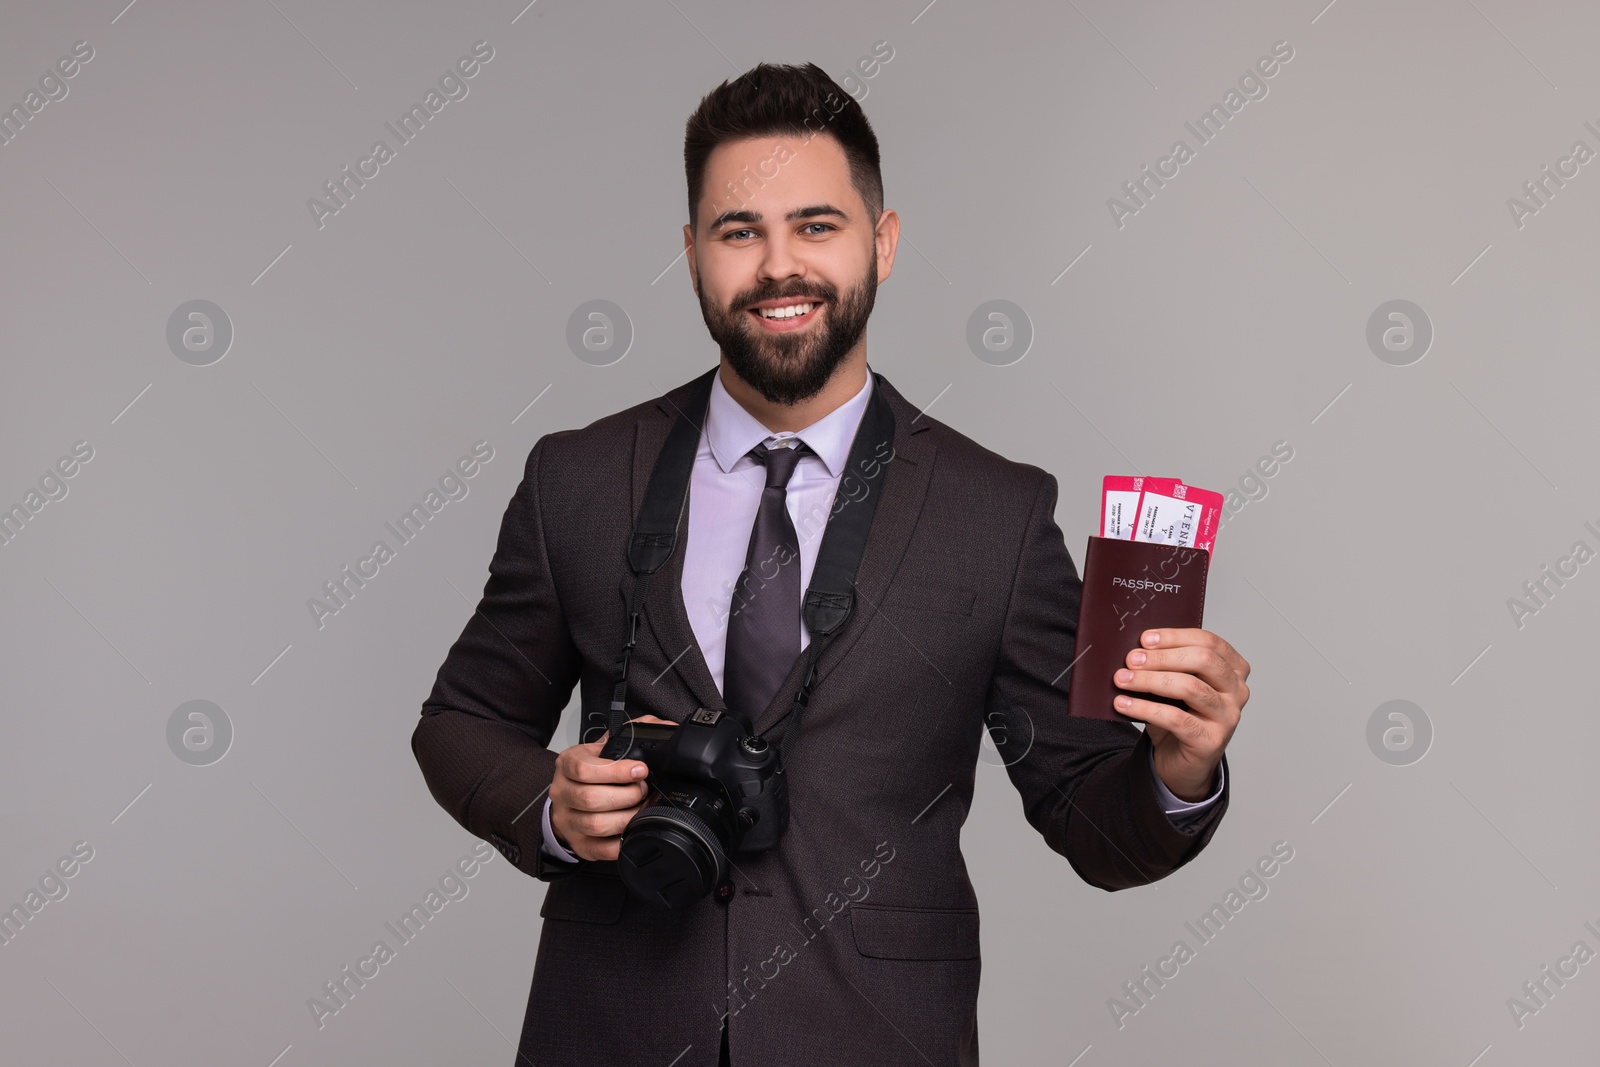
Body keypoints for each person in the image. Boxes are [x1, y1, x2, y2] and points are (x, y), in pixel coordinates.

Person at [412, 61, 1249, 1067]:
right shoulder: (579, 479)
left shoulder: (996, 512)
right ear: (689, 254)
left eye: (815, 225)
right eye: (738, 231)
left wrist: (1180, 766)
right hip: (610, 1027)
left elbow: (1094, 822)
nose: (777, 268)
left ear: (881, 243)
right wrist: (548, 801)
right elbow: (460, 722)